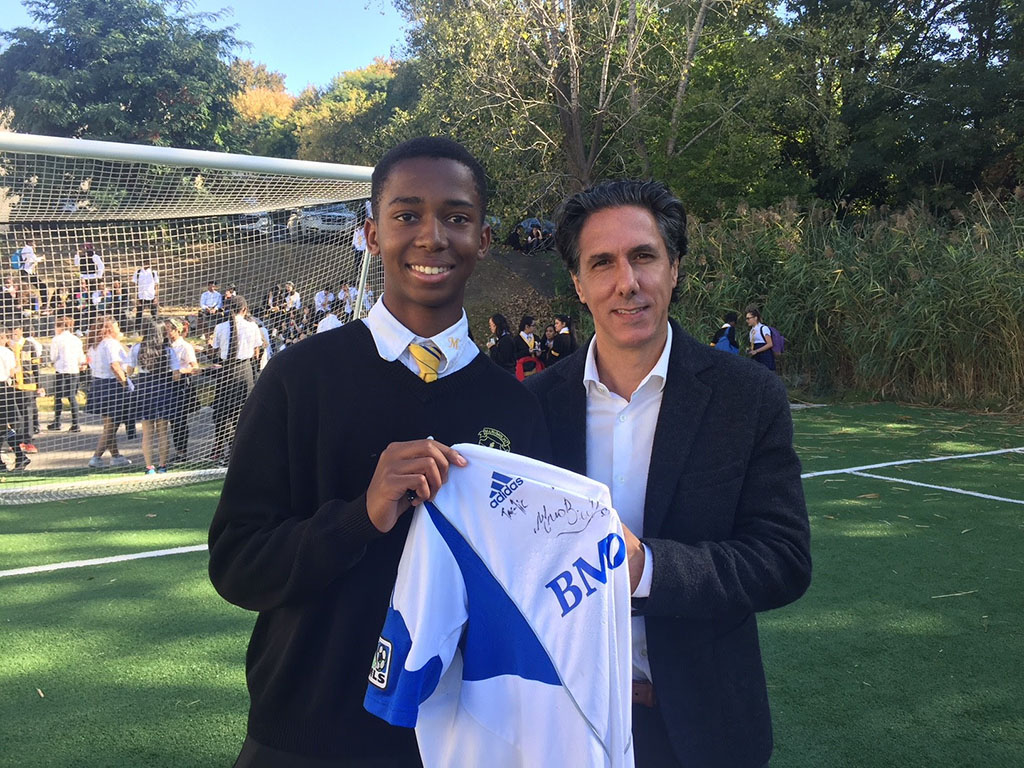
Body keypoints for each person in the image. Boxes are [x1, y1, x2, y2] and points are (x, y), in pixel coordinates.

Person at [208, 136, 548, 767]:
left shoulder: (515, 408)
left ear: (484, 238)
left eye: (456, 217)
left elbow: (529, 590)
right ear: (369, 233)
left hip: (455, 744)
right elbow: (236, 566)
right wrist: (357, 517)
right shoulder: (298, 378)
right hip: (304, 737)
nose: (431, 236)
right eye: (406, 215)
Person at [525, 179, 811, 768]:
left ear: (674, 268)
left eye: (644, 256)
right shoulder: (530, 406)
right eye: (601, 263)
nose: (626, 282)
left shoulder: (748, 397)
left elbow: (782, 559)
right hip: (561, 726)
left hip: (703, 727)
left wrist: (647, 568)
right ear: (578, 285)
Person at [208, 295, 261, 464]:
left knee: (223, 413)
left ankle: (229, 449)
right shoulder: (252, 327)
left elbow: (215, 350)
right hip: (244, 370)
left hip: (226, 371)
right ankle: (238, 450)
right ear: (244, 310)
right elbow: (256, 352)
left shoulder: (220, 327)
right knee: (241, 412)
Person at [85, 316, 132, 468]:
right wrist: (125, 383)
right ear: (110, 329)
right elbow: (115, 365)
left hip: (98, 383)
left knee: (109, 424)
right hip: (111, 384)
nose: (119, 330)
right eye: (116, 326)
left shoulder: (94, 344)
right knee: (112, 424)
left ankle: (116, 455)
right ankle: (96, 457)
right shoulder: (110, 343)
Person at [129, 319, 173, 474]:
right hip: (163, 388)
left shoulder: (136, 349)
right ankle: (162, 466)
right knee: (163, 431)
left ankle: (149, 467)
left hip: (144, 389)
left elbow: (129, 371)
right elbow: (175, 375)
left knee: (147, 432)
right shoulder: (168, 350)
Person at [165, 318, 199, 463]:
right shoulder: (164, 346)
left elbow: (195, 367)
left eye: (168, 329)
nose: (165, 332)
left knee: (179, 420)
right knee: (168, 421)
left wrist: (180, 371)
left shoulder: (185, 346)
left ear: (177, 330)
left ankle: (181, 452)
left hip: (180, 386)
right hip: (166, 384)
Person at [48, 315, 86, 432]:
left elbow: (53, 356)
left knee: (58, 396)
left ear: (59, 327)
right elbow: (81, 357)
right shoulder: (76, 340)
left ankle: (57, 421)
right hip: (74, 370)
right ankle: (75, 423)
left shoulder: (56, 339)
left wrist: (52, 362)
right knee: (71, 396)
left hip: (61, 370)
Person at [0, 328, 30, 471]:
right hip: (5, 389)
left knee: (3, 427)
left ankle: (19, 457)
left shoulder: (6, 352)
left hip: (3, 389)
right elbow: (12, 373)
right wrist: (18, 368)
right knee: (4, 427)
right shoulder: (7, 352)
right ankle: (20, 456)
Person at [10, 323, 43, 450]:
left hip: (28, 385)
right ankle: (17, 441)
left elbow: (36, 366)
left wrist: (39, 385)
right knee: (15, 414)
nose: (14, 333)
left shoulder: (29, 345)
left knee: (28, 413)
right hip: (13, 385)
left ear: (21, 330)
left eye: (16, 330)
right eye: (12, 331)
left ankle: (28, 441)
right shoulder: (8, 346)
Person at [19, 237, 48, 312]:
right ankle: (26, 306)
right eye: (34, 243)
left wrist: (38, 259)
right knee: (26, 289)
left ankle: (44, 305)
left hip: (30, 272)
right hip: (26, 272)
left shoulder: (29, 249)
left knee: (42, 286)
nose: (35, 245)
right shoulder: (27, 249)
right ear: (29, 243)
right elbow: (29, 261)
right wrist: (39, 259)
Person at [133, 260, 159, 329]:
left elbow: (156, 285)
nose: (147, 264)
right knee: (139, 314)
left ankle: (156, 328)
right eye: (145, 262)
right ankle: (137, 330)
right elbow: (135, 286)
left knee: (154, 314)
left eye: (148, 262)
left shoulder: (153, 272)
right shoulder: (138, 273)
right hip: (141, 296)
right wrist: (136, 298)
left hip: (151, 296)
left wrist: (156, 297)